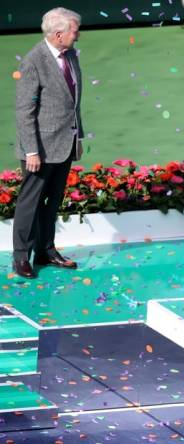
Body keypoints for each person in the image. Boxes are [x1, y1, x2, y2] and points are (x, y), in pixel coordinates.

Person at [12, 7, 84, 279]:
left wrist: (78, 135)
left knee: (52, 202)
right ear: (58, 34)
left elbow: (72, 102)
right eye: (74, 31)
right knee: (30, 203)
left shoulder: (71, 55)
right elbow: (24, 110)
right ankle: (21, 256)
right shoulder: (34, 61)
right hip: (39, 150)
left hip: (64, 144)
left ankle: (46, 250)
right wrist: (31, 149)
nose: (77, 35)